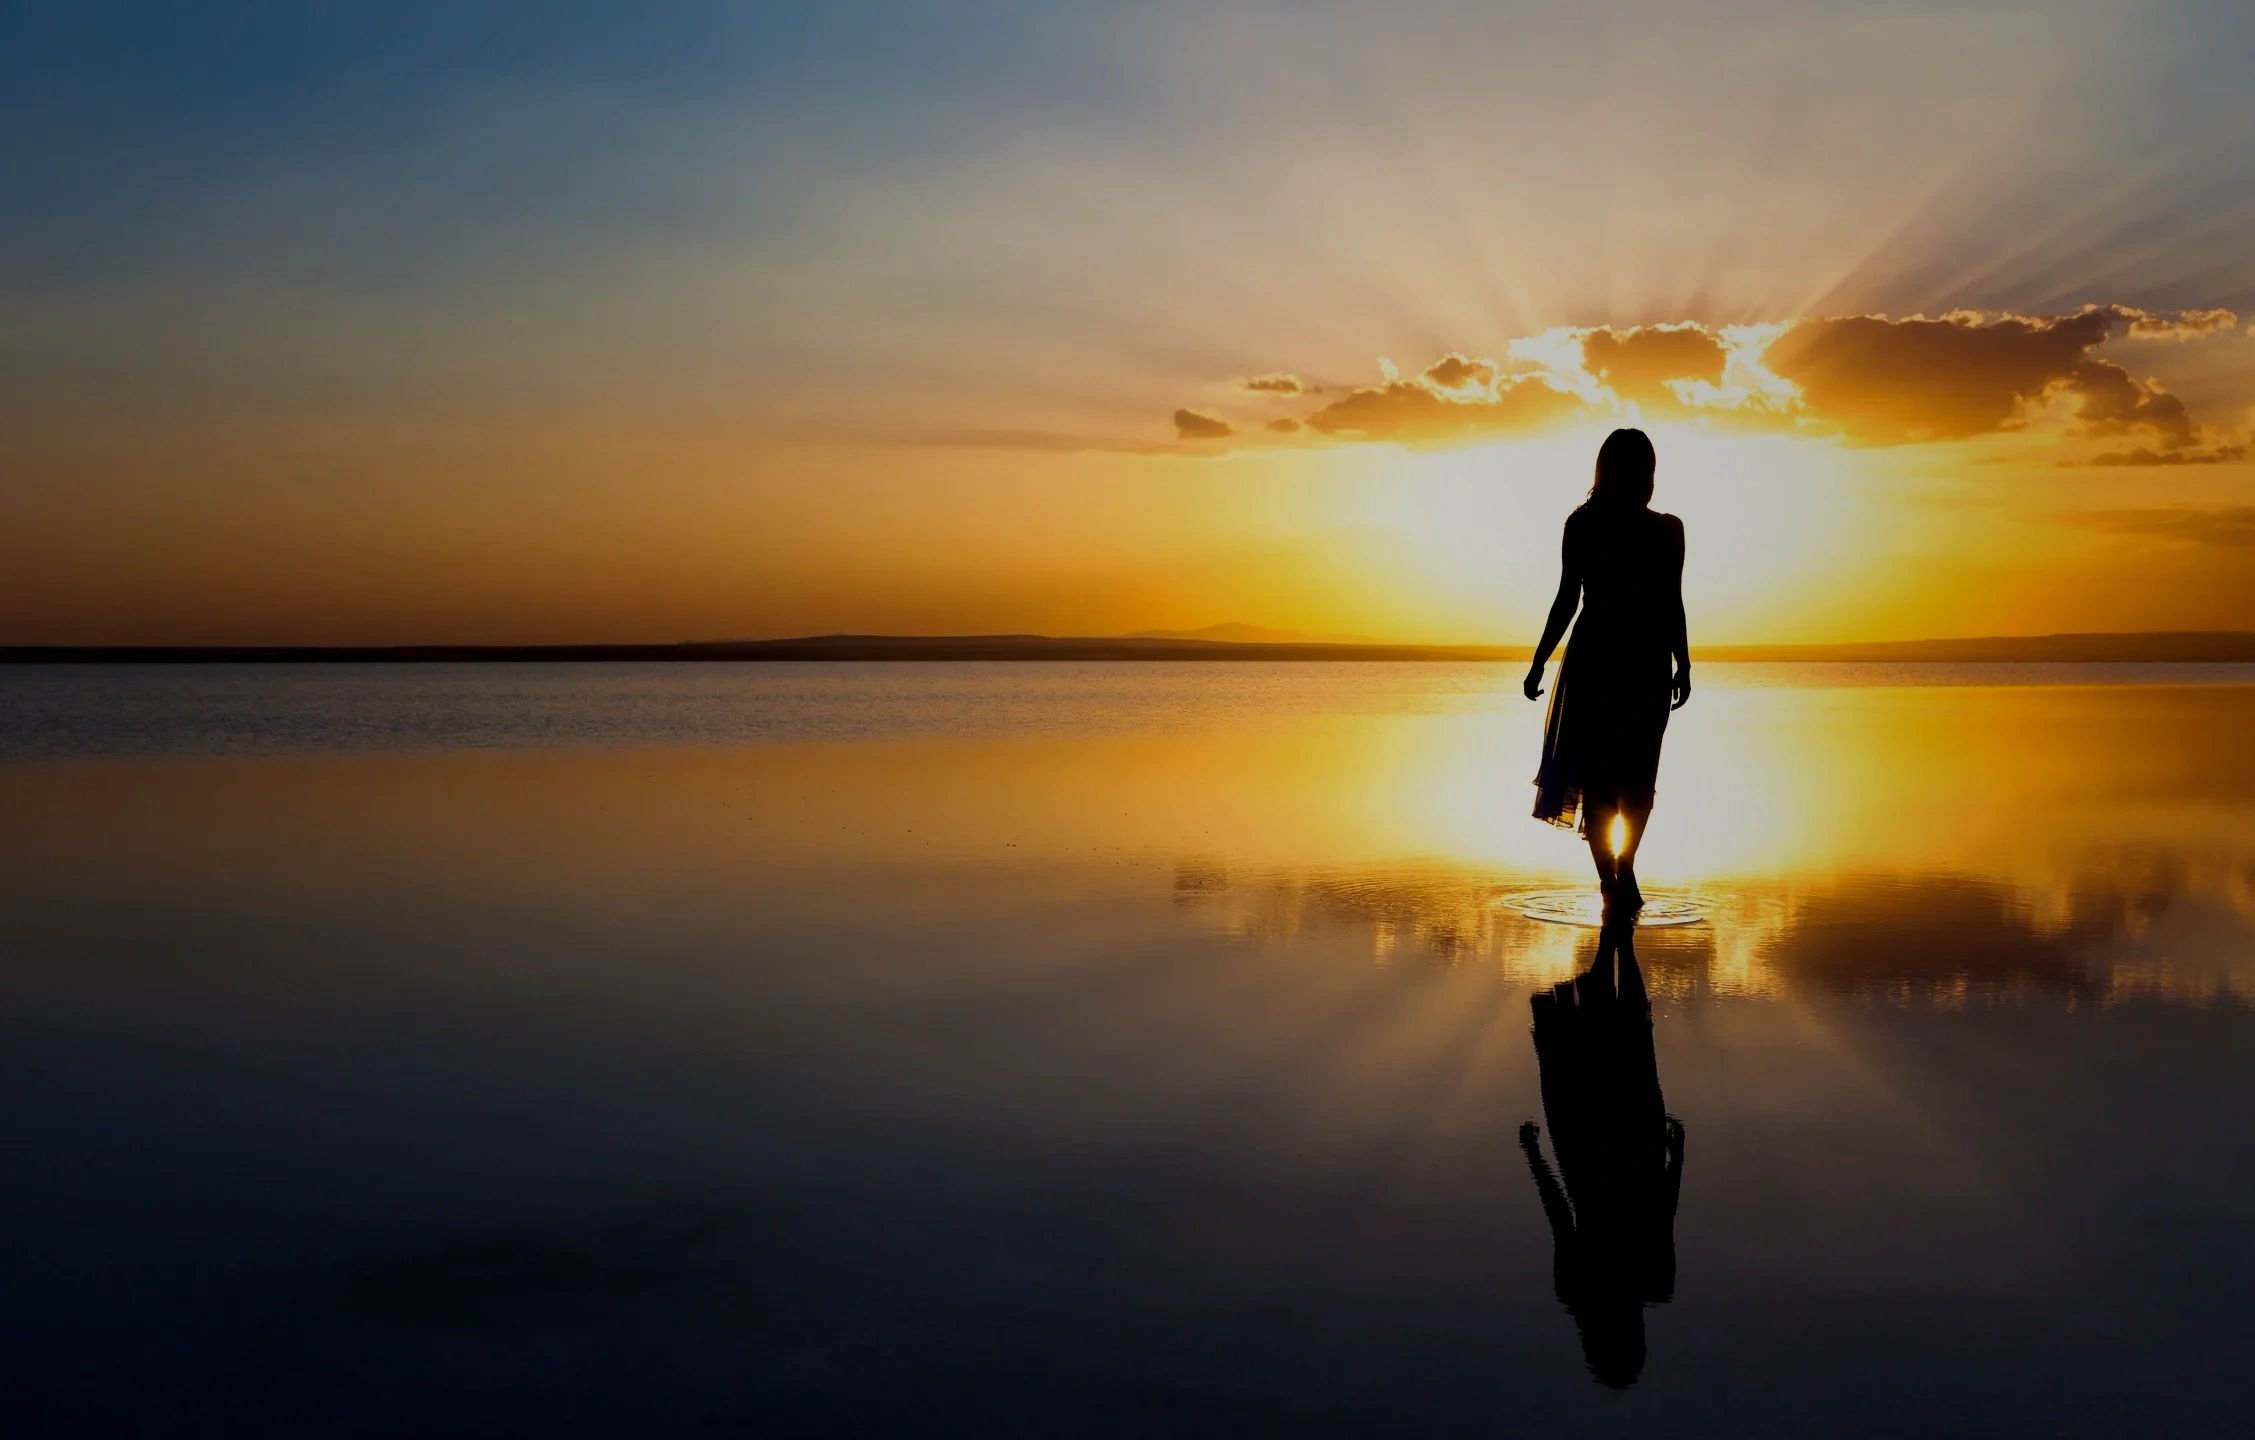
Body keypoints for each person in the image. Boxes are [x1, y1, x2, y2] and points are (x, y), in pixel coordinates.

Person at [1524, 428, 1691, 913]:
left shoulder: (1662, 529)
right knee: (1613, 781)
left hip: (1632, 663)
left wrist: (1685, 660)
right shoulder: (1590, 525)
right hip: (1615, 663)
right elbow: (1567, 599)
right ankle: (1616, 879)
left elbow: (1670, 602)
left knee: (1632, 779)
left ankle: (1618, 875)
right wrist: (1538, 661)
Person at [1519, 919, 1685, 1388]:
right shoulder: (1645, 1282)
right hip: (1602, 1151)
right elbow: (1661, 1213)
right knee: (1626, 1035)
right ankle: (1616, 934)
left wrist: (1679, 1158)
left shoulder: (1640, 1282)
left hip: (1610, 1153)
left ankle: (1616, 936)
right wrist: (1533, 1156)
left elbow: (1562, 1218)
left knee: (1630, 1034)